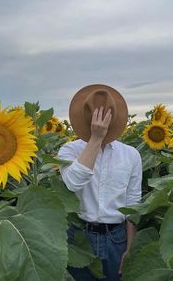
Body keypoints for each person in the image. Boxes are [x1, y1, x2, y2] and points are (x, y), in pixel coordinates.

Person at [58, 84, 142, 281]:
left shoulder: (131, 155)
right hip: (79, 236)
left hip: (116, 238)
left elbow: (133, 205)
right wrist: (95, 138)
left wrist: (130, 248)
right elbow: (73, 183)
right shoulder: (68, 151)